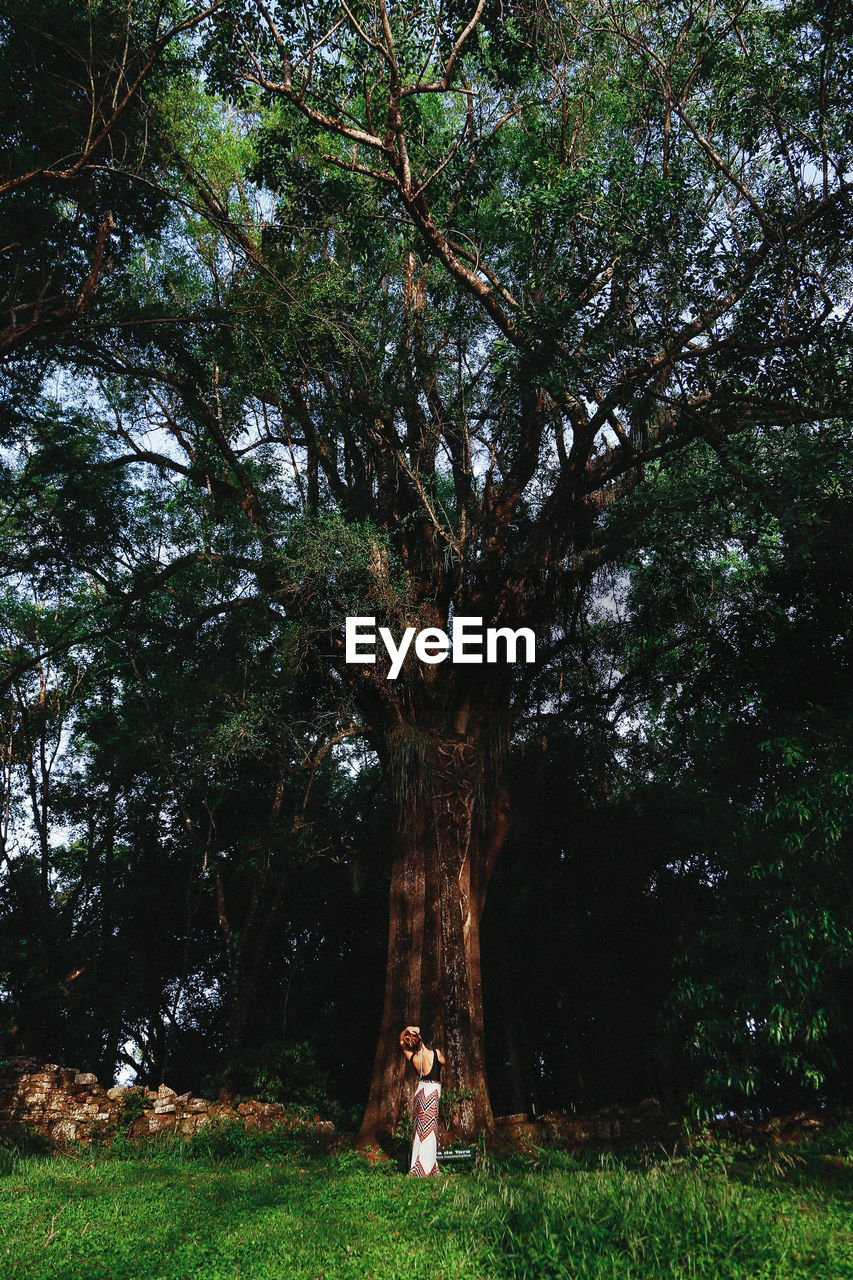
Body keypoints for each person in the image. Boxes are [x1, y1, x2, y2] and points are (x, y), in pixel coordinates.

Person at [399, 1024, 445, 1177]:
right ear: (421, 1039)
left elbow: (401, 1042)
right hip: (432, 1091)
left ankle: (419, 1165)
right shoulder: (436, 1053)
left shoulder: (412, 1058)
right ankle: (426, 1167)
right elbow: (443, 1062)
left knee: (420, 1130)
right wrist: (415, 1030)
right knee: (430, 1130)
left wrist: (407, 1029)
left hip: (421, 1091)